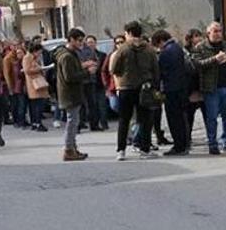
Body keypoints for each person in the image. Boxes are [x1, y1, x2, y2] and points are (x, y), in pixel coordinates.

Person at [111, 21, 160, 161]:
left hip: (126, 88)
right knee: (145, 119)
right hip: (145, 87)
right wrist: (154, 84)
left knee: (124, 120)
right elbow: (156, 69)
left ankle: (121, 150)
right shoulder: (149, 49)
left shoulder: (123, 49)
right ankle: (145, 149)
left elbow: (114, 69)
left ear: (128, 33)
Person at [193, 22, 226, 155]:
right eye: (215, 31)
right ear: (208, 33)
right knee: (212, 117)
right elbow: (197, 64)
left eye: (219, 31)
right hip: (211, 87)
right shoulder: (201, 47)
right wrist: (214, 59)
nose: (218, 34)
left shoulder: (225, 44)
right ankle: (212, 143)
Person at [55, 28, 94, 161]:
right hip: (70, 94)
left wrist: (83, 66)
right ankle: (68, 149)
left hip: (72, 93)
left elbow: (72, 70)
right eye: (78, 40)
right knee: (72, 122)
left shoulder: (71, 54)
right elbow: (70, 76)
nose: (81, 43)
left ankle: (73, 148)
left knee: (74, 121)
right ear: (71, 39)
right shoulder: (66, 56)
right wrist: (88, 72)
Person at [152, 30, 189, 156]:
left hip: (171, 89)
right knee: (182, 118)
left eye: (158, 45)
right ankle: (184, 144)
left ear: (161, 41)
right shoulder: (178, 48)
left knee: (173, 119)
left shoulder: (165, 53)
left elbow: (160, 73)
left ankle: (178, 146)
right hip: (182, 87)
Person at [79, 35, 104, 132]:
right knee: (80, 104)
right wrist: (86, 64)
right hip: (80, 80)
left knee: (92, 103)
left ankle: (94, 124)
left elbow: (95, 62)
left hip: (90, 80)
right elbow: (76, 64)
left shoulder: (89, 50)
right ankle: (79, 124)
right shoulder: (75, 51)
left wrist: (91, 66)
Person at [24, 43, 50, 132]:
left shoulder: (34, 58)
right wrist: (39, 69)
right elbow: (27, 70)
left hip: (38, 82)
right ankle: (37, 123)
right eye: (39, 52)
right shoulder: (27, 57)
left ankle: (36, 122)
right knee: (37, 105)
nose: (40, 53)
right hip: (34, 83)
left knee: (37, 104)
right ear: (35, 51)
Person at [3, 47, 28, 129]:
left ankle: (22, 120)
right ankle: (18, 121)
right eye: (18, 53)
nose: (20, 54)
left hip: (21, 86)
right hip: (16, 86)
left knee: (22, 105)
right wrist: (10, 87)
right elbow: (9, 75)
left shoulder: (22, 61)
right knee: (18, 104)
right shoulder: (12, 61)